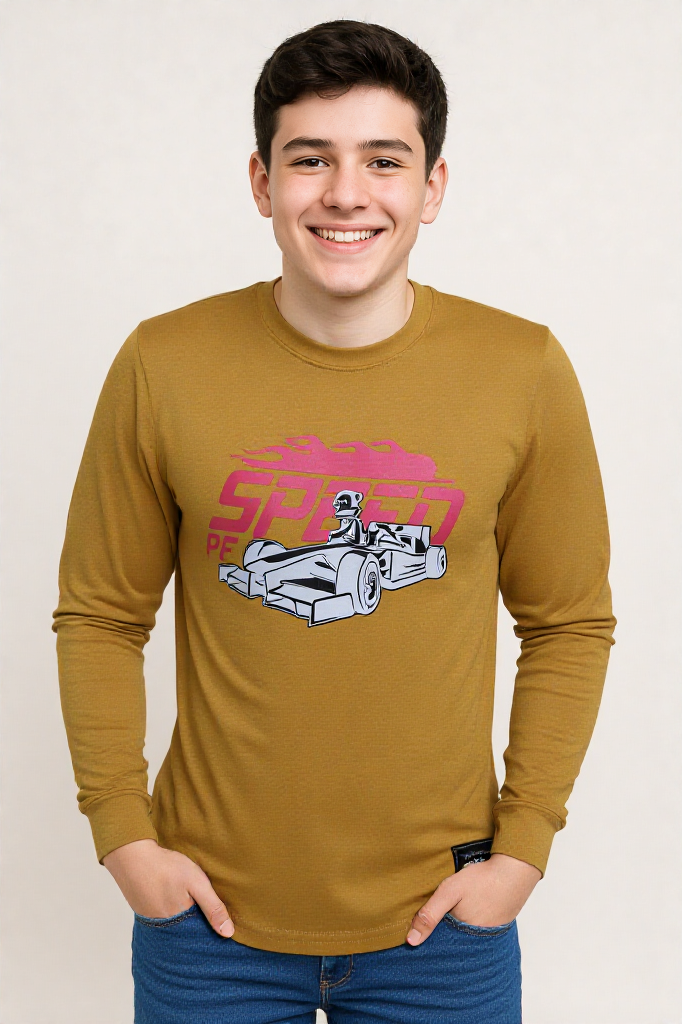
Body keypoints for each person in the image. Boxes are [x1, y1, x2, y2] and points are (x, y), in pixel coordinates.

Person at [53, 19, 616, 1023]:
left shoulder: (520, 369)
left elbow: (567, 621)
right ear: (262, 181)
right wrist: (123, 835)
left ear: (432, 187)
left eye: (383, 161)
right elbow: (100, 614)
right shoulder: (162, 364)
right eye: (310, 158)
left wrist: (523, 848)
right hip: (207, 925)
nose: (346, 193)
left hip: (443, 925)